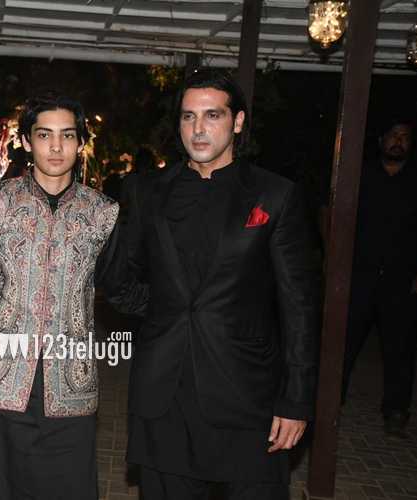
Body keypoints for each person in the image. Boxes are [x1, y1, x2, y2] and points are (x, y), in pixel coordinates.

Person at [105, 68, 320, 500]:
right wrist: (165, 308)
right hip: (165, 394)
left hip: (247, 394)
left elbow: (299, 307)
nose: (198, 129)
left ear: (237, 122)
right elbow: (122, 281)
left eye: (212, 115)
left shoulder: (275, 195)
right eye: (188, 117)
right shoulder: (146, 191)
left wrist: (296, 401)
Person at [0, 92, 119, 500]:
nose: (56, 146)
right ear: (27, 141)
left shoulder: (103, 213)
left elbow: (119, 287)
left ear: (81, 142)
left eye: (67, 135)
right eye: (44, 134)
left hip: (71, 383)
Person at [340, 118, 417, 436]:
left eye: (404, 137)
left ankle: (396, 411)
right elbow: (331, 210)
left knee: (400, 349)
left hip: (403, 280)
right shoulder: (360, 175)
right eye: (393, 135)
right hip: (359, 275)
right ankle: (330, 402)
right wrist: (334, 260)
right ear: (381, 140)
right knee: (343, 341)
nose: (398, 142)